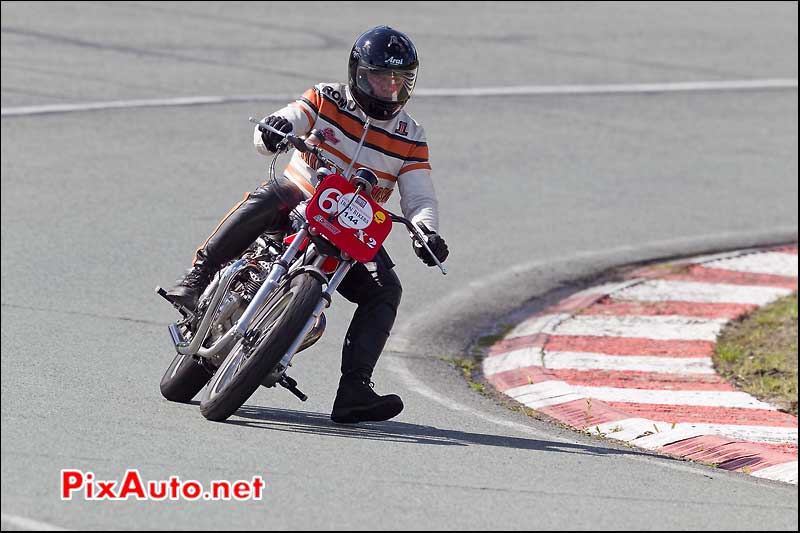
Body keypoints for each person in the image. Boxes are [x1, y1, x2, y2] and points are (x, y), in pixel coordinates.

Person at [166, 26, 449, 424]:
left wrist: (427, 232)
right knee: (273, 192)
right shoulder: (327, 96)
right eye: (379, 77)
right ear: (358, 73)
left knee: (387, 289)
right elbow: (291, 117)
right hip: (303, 195)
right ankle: (196, 279)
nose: (388, 89)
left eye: (398, 81)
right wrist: (274, 128)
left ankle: (355, 389)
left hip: (352, 228)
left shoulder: (410, 135)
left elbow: (419, 196)